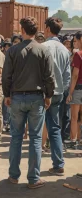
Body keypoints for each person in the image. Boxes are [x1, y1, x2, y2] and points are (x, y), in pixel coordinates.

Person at [3, 16, 55, 189]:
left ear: (23, 31)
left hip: (17, 97)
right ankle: (33, 179)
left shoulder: (12, 51)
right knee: (35, 139)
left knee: (16, 138)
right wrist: (48, 96)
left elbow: (6, 76)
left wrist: (6, 94)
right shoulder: (43, 50)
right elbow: (49, 77)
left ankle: (13, 176)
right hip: (36, 98)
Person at [42, 17, 70, 175]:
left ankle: (37, 169)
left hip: (45, 93)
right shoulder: (65, 50)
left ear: (47, 29)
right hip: (59, 93)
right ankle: (58, 163)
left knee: (40, 128)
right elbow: (67, 75)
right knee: (55, 128)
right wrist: (63, 89)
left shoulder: (44, 47)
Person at [67, 31, 82, 149]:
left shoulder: (78, 55)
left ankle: (73, 140)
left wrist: (70, 93)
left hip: (78, 89)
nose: (75, 43)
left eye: (76, 40)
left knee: (74, 117)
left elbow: (75, 75)